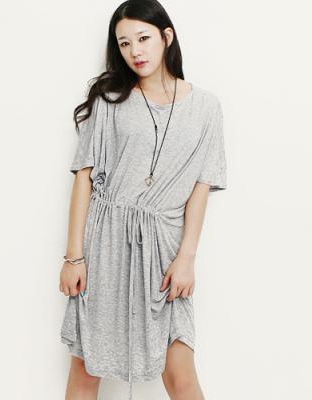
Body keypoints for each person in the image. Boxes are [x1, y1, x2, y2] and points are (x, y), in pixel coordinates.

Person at [59, 0, 227, 399]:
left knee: (181, 374)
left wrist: (187, 258)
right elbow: (85, 177)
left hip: (164, 251)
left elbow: (201, 186)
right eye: (124, 43)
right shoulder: (110, 99)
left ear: (167, 37)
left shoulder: (206, 107)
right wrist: (74, 257)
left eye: (143, 38)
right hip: (106, 245)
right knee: (86, 369)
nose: (135, 51)